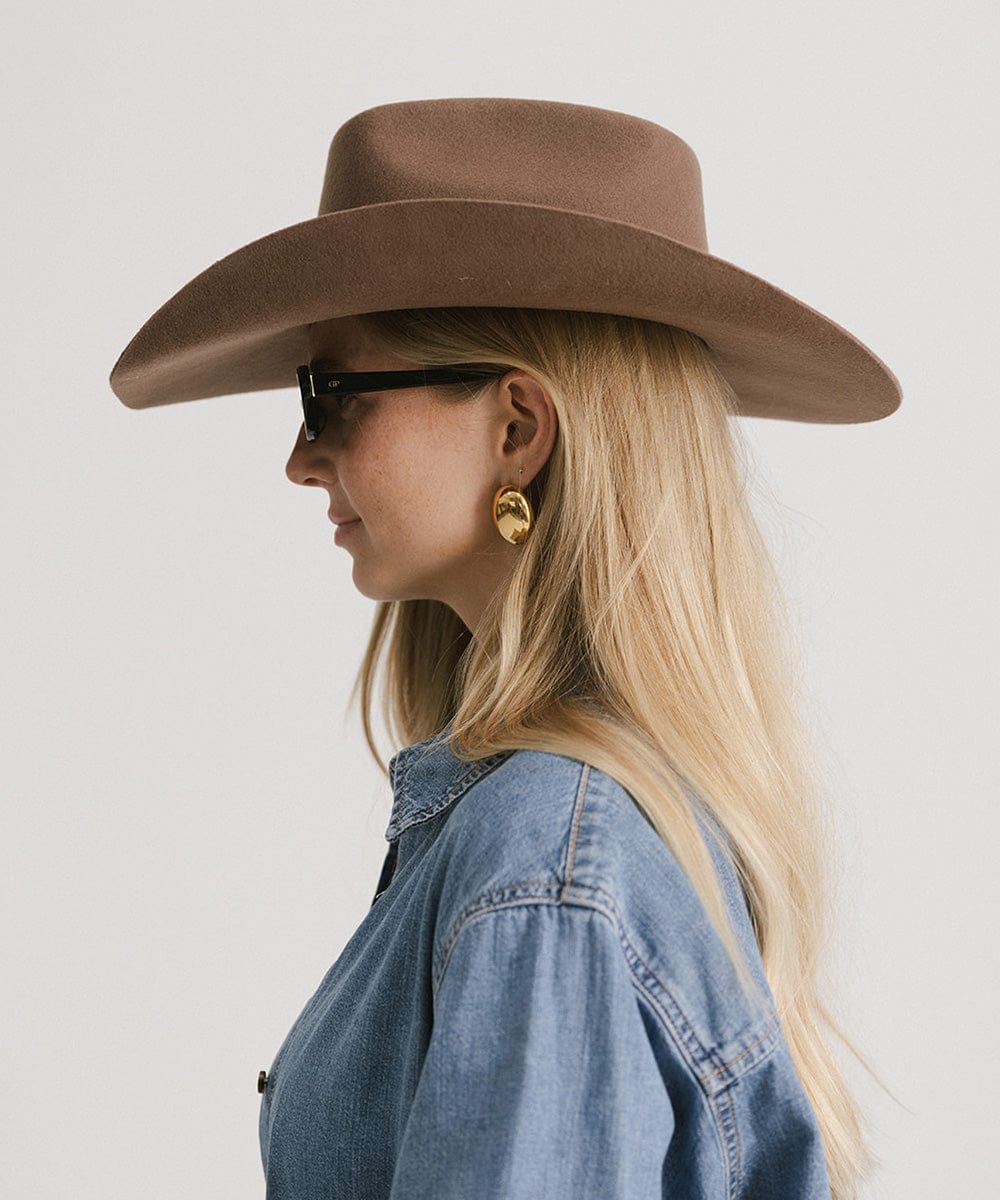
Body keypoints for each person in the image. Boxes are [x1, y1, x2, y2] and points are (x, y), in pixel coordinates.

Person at [109, 97, 902, 1200]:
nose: (300, 457)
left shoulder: (546, 859)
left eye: (329, 394)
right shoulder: (589, 827)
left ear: (518, 429)